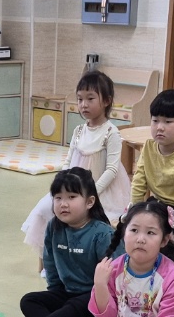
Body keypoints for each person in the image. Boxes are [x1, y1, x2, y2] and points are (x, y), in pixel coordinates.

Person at [21, 70, 131, 264]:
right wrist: (59, 186)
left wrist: (92, 192)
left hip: (101, 191)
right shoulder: (79, 131)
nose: (83, 104)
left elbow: (112, 170)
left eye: (90, 98)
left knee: (89, 219)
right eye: (80, 99)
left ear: (106, 101)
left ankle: (80, 261)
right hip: (72, 188)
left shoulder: (111, 132)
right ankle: (48, 261)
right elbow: (68, 162)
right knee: (43, 210)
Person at [1, 167, 113, 317]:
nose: (63, 204)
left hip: (94, 297)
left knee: (75, 305)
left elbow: (114, 276)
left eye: (71, 197)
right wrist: (55, 293)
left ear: (90, 202)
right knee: (28, 301)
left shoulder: (102, 233)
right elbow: (50, 262)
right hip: (67, 293)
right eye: (58, 197)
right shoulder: (54, 226)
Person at [129, 88, 174, 265]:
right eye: (155, 120)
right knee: (137, 228)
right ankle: (141, 269)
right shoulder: (148, 147)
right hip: (159, 203)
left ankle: (173, 274)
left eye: (168, 122)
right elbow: (139, 182)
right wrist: (134, 212)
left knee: (166, 235)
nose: (159, 127)